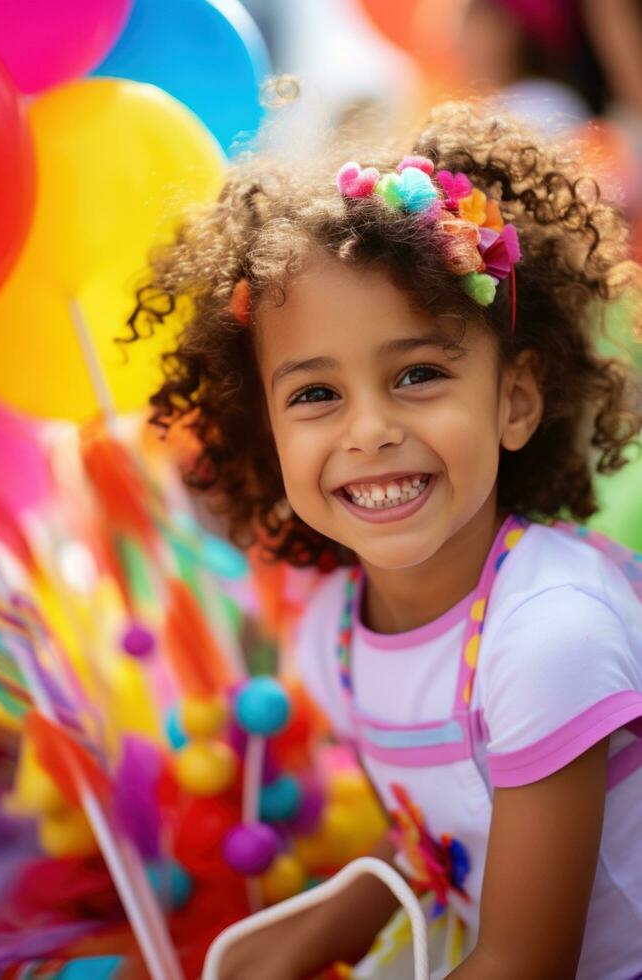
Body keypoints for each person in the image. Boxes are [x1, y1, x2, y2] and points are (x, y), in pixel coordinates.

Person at [129, 99, 642, 978]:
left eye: (418, 374)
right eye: (315, 395)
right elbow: (441, 845)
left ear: (515, 400)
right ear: (268, 436)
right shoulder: (337, 628)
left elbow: (526, 961)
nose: (367, 430)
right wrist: (261, 949)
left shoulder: (549, 633)